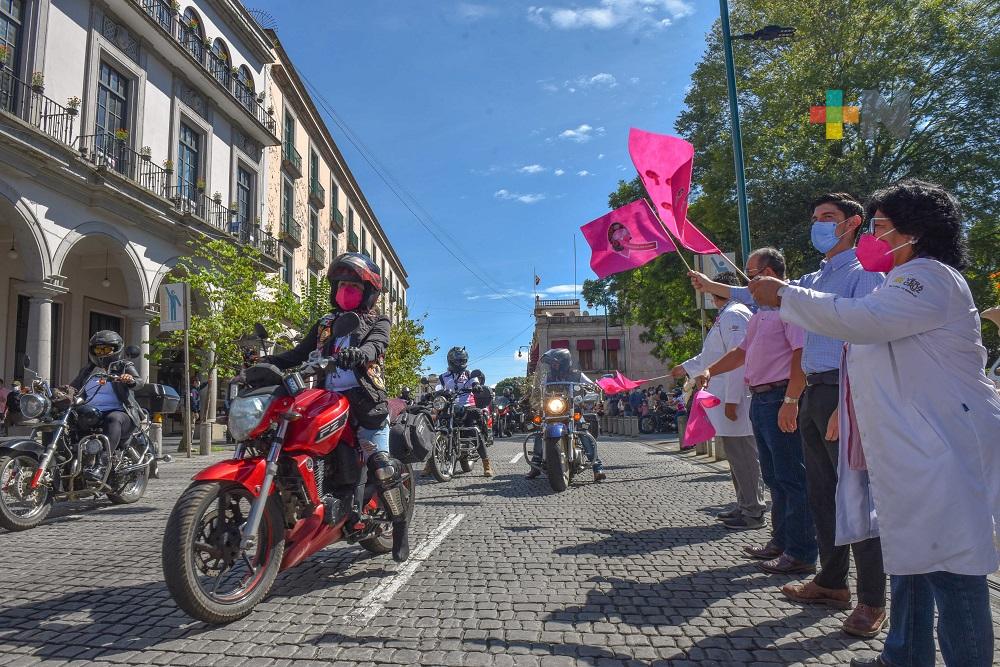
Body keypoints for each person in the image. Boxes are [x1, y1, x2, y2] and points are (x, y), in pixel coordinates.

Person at [749, 179, 1000, 667]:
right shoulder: (901, 282)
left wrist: (786, 295)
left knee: (951, 567)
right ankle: (903, 653)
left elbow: (859, 322)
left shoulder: (928, 277)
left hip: (942, 449)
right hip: (913, 449)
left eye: (881, 227)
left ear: (915, 231)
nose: (874, 238)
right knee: (911, 558)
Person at [691, 193, 888, 637]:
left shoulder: (864, 275)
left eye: (829, 218)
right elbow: (758, 294)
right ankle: (832, 581)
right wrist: (714, 288)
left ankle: (872, 599)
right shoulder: (814, 278)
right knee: (821, 492)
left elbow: (869, 336)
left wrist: (846, 401)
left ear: (854, 223)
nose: (819, 225)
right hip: (818, 390)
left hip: (844, 387)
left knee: (856, 495)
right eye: (815, 217)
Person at [261, 252, 409, 563]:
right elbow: (298, 354)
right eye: (341, 285)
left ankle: (399, 528)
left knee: (380, 465)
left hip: (366, 403)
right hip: (326, 401)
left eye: (352, 286)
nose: (345, 290)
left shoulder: (378, 320)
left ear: (368, 293)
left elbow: (377, 344)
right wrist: (266, 361)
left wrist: (360, 353)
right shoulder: (326, 324)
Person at [692, 248, 818, 575]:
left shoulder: (790, 309)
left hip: (779, 398)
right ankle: (780, 541)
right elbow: (741, 352)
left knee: (793, 478)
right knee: (775, 477)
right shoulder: (761, 314)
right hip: (761, 400)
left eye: (753, 273)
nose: (748, 282)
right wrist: (710, 371)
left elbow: (800, 355)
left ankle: (802, 551)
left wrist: (791, 401)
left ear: (772, 273)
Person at [672, 271, 764, 529]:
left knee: (744, 456)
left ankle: (753, 511)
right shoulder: (727, 315)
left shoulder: (735, 314)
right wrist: (685, 367)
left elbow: (738, 359)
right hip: (723, 397)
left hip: (734, 398)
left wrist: (734, 400)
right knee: (736, 457)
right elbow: (709, 357)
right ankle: (744, 504)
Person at [69, 331, 145, 482]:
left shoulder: (123, 365)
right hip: (91, 413)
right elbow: (74, 387)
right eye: (98, 350)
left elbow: (139, 382)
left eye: (106, 349)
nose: (101, 353)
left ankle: (102, 463)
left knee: (113, 418)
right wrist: (59, 392)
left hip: (121, 413)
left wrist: (129, 379)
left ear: (116, 349)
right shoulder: (87, 370)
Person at [526, 348, 606, 482]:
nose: (553, 366)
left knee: (583, 432)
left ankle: (597, 469)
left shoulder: (576, 374)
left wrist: (595, 388)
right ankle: (536, 465)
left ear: (564, 362)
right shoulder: (548, 376)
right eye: (552, 363)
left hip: (572, 409)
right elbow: (540, 388)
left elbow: (591, 385)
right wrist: (535, 395)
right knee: (541, 432)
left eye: (555, 363)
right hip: (553, 410)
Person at [436, 347, 494, 477]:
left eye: (462, 360)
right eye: (457, 360)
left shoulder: (468, 374)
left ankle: (486, 463)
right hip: (449, 406)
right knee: (437, 427)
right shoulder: (443, 377)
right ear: (451, 361)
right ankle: (432, 463)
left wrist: (476, 387)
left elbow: (474, 382)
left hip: (467, 407)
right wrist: (435, 393)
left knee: (473, 431)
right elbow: (438, 388)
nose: (459, 363)